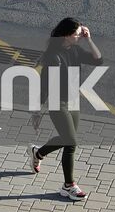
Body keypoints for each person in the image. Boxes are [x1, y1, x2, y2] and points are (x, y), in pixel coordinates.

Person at [26, 18, 102, 201]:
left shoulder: (75, 50)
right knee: (71, 142)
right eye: (77, 34)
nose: (79, 37)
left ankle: (38, 152)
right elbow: (44, 86)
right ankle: (68, 186)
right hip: (57, 103)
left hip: (73, 101)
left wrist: (89, 40)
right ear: (67, 35)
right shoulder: (54, 57)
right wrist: (36, 112)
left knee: (68, 140)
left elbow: (98, 61)